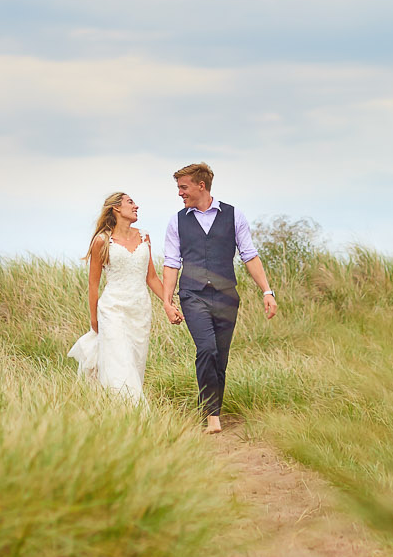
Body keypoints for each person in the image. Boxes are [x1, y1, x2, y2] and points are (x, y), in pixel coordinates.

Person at [160, 163, 276, 434]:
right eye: (178, 187)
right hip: (192, 294)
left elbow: (249, 254)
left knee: (220, 359)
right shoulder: (176, 221)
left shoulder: (234, 216)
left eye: (183, 187)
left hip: (226, 298)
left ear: (201, 185)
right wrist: (168, 300)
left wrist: (267, 291)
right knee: (207, 349)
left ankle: (213, 409)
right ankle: (211, 415)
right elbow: (171, 262)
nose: (180, 193)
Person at [66, 191, 168, 402]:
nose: (136, 206)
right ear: (117, 208)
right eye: (130, 202)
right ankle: (133, 413)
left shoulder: (145, 237)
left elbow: (152, 278)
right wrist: (94, 319)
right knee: (119, 364)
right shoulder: (102, 241)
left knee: (135, 364)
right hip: (112, 310)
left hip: (140, 311)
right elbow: (93, 284)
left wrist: (168, 302)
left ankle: (115, 414)